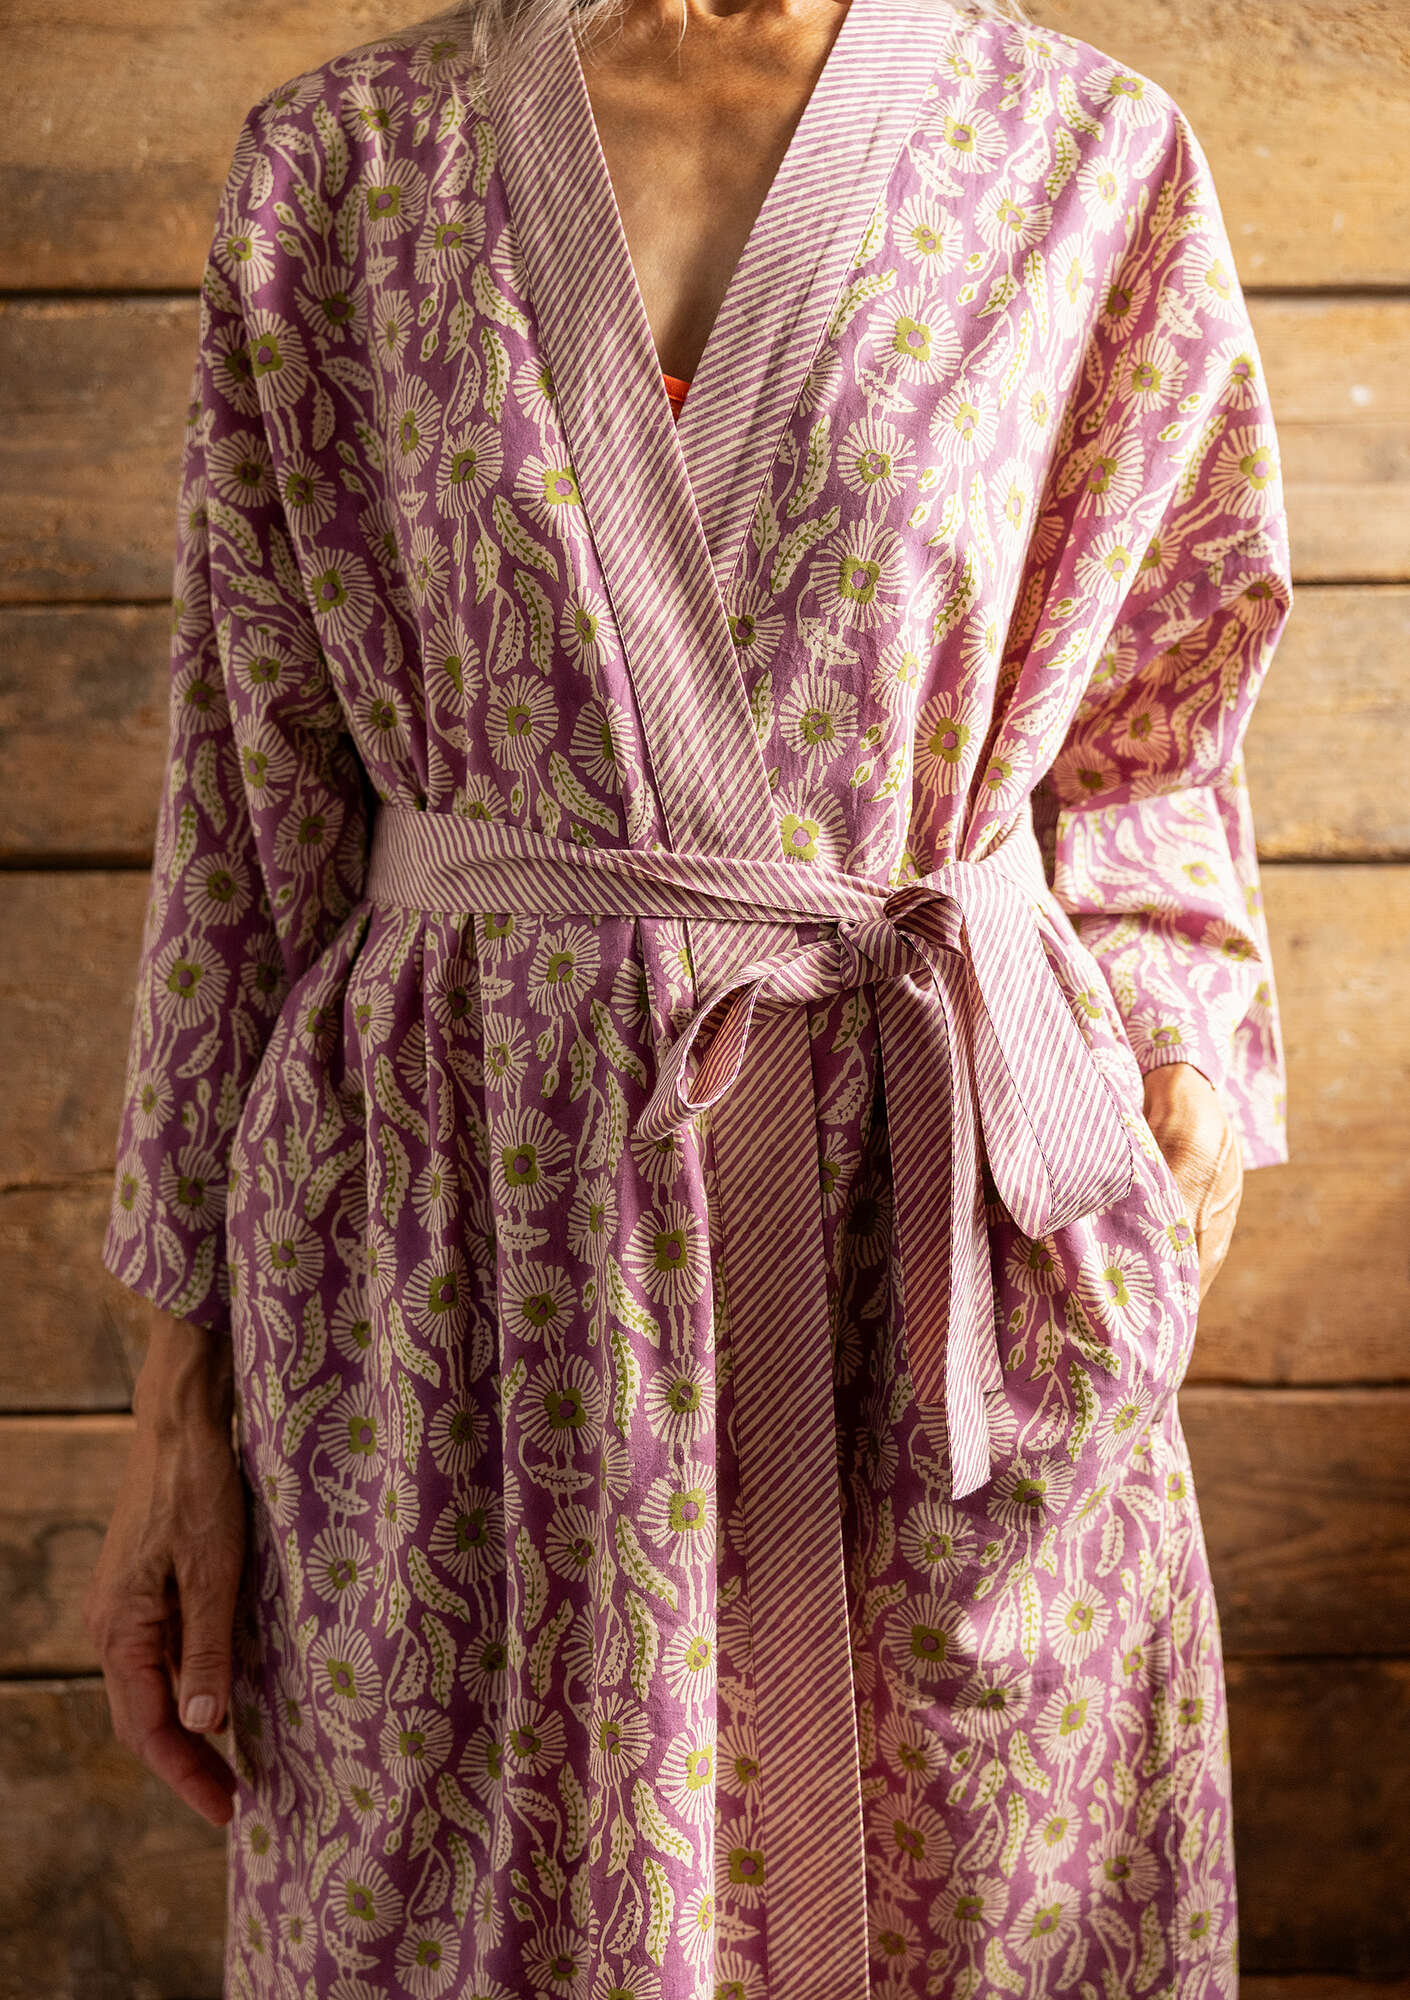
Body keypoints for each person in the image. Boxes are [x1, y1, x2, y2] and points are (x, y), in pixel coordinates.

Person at [83, 0, 1291, 1990]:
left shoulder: (1085, 157)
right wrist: (171, 1407)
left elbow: (1159, 733)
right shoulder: (346, 168)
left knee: (974, 1904)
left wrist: (1170, 1089)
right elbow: (244, 802)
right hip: (468, 1277)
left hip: (940, 1253)